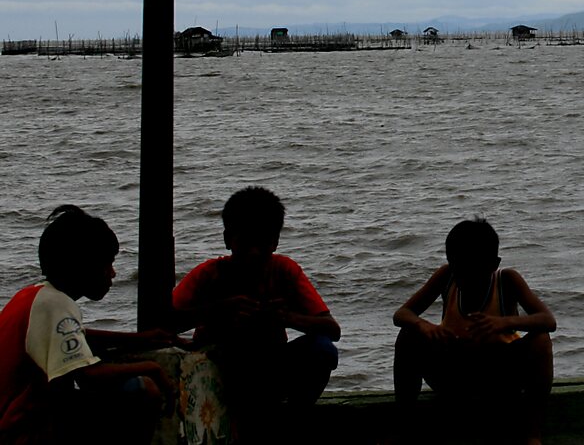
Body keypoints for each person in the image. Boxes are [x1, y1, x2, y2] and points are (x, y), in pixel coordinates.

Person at [0, 205, 176, 444]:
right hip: (20, 430)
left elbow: (77, 337)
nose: (113, 274)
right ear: (84, 266)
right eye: (107, 264)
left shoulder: (33, 297)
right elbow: (88, 376)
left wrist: (141, 339)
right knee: (142, 391)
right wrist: (150, 368)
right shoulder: (56, 304)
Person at [172, 187, 340, 437]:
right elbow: (163, 321)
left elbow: (331, 329)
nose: (254, 253)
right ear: (228, 239)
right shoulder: (209, 274)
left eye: (262, 244)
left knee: (322, 349)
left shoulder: (284, 270)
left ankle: (291, 422)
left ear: (275, 241)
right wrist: (217, 312)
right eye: (246, 243)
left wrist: (286, 318)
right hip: (218, 368)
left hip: (269, 366)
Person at [393, 218, 556, 445]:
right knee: (407, 335)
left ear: (493, 264)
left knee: (541, 340)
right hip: (455, 374)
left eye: (472, 271)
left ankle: (532, 434)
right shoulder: (446, 276)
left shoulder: (507, 280)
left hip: (500, 376)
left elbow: (548, 321)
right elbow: (402, 314)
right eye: (458, 269)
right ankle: (404, 429)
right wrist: (423, 325)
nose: (464, 278)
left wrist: (505, 323)